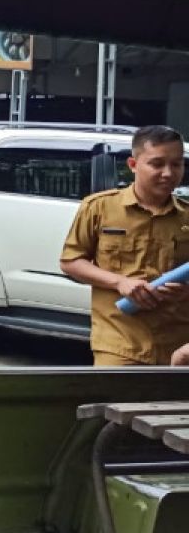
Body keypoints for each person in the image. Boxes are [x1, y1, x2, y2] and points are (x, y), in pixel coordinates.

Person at [60, 125, 189, 366]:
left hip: (178, 347)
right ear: (133, 165)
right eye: (157, 164)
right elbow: (71, 262)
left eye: (177, 164)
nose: (168, 173)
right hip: (119, 343)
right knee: (116, 403)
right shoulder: (99, 208)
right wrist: (120, 282)